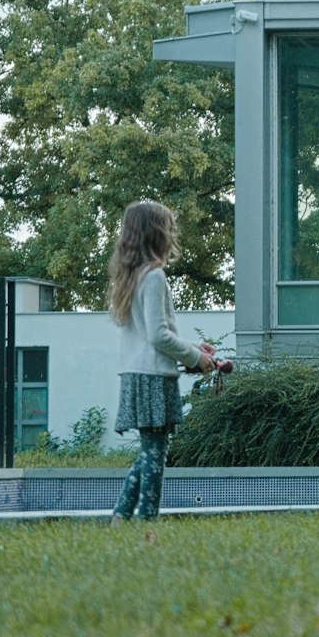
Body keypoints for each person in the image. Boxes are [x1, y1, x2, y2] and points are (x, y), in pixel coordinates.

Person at [108, 201, 215, 523]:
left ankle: (121, 515)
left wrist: (195, 347)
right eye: (169, 228)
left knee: (150, 451)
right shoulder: (154, 276)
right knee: (156, 453)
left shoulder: (130, 277)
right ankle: (146, 522)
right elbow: (158, 336)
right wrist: (197, 358)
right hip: (154, 376)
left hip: (137, 373)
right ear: (157, 234)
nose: (172, 234)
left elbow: (151, 334)